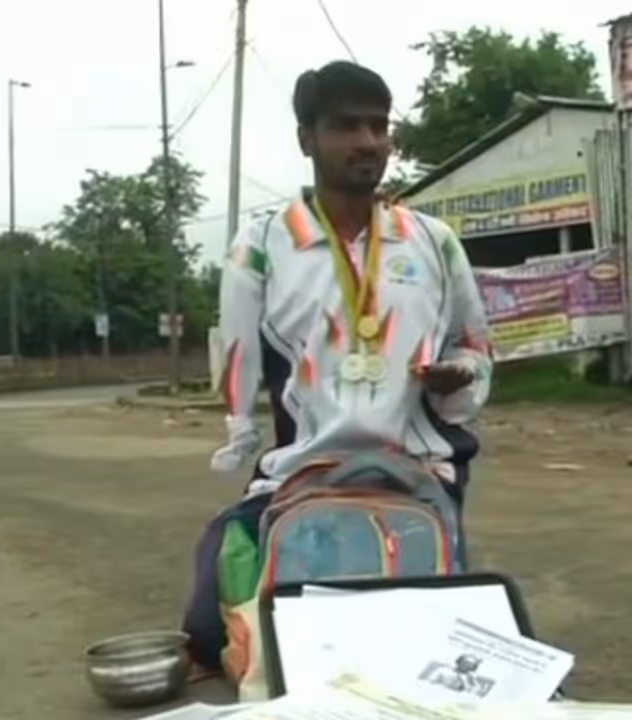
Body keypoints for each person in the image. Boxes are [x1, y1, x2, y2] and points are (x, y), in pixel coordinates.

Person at [183, 60, 492, 671]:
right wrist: (240, 434)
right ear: (307, 139)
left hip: (420, 469)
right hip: (304, 469)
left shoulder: (433, 240)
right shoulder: (262, 246)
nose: (369, 142)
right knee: (208, 633)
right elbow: (240, 357)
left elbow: (476, 349)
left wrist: (460, 377)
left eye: (380, 126)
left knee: (432, 647)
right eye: (347, 126)